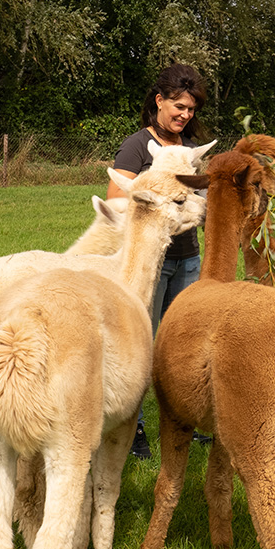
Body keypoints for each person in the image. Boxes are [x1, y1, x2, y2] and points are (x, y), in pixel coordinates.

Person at [109, 63, 212, 459]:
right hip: (148, 262)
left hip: (188, 257)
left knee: (185, 345)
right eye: (179, 106)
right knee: (138, 344)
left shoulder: (188, 151)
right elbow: (119, 204)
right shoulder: (137, 147)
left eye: (191, 109)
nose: (185, 115)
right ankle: (131, 428)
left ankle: (186, 419)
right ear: (159, 101)